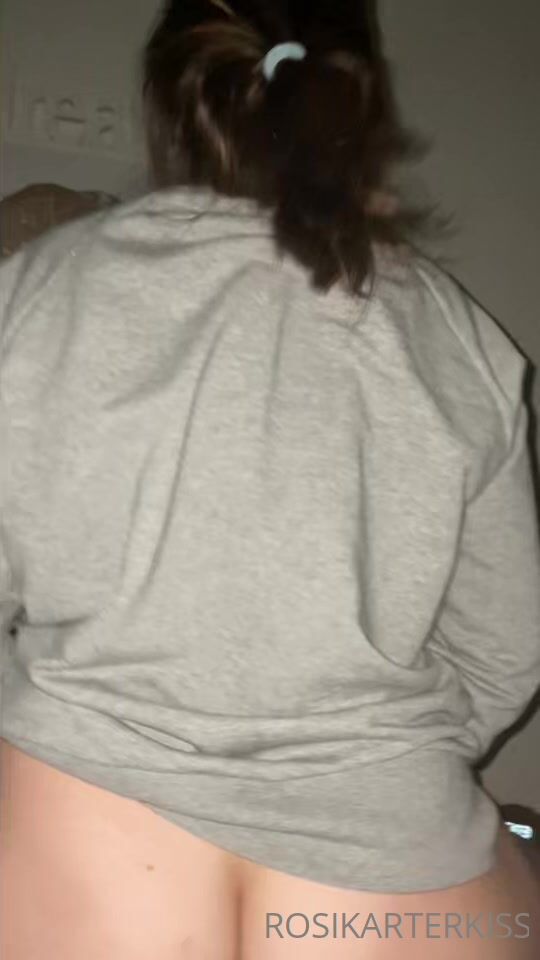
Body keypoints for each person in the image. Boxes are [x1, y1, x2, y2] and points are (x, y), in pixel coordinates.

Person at [1, 1, 539, 957]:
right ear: (356, 101)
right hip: (395, 861)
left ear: (168, 105)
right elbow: (505, 654)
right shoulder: (455, 334)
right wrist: (365, 762)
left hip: (80, 829)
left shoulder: (39, 289)